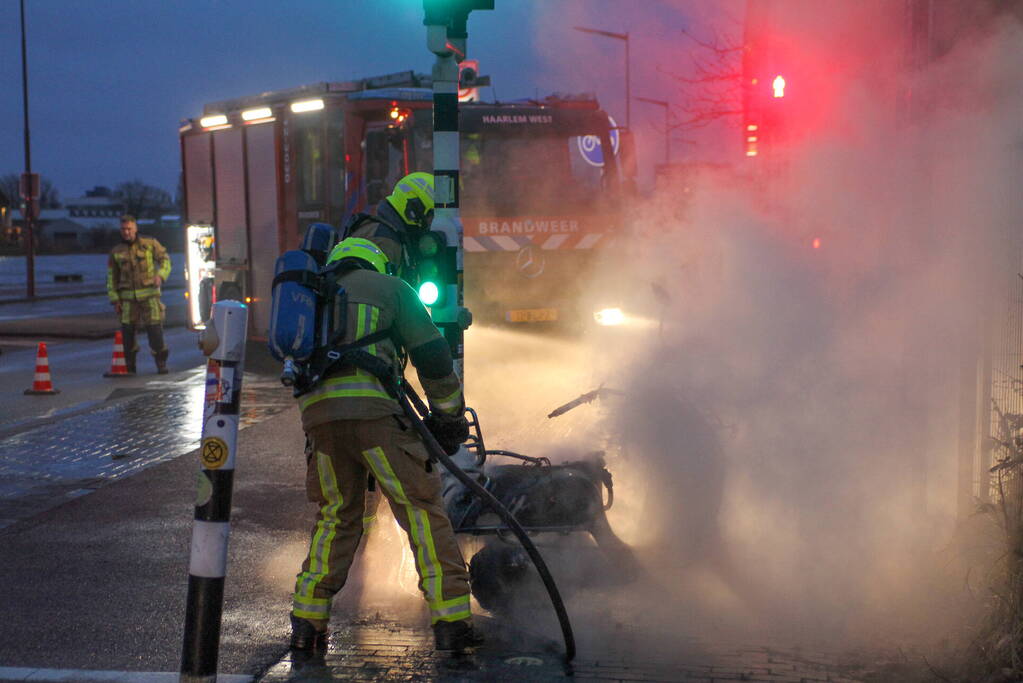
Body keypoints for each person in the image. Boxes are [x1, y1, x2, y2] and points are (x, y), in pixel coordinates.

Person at [289, 237, 476, 653]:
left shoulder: (313, 296)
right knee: (420, 509)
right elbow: (432, 356)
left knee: (336, 516)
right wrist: (449, 416)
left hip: (319, 423)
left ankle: (307, 621)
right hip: (376, 420)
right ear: (375, 265)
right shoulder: (392, 289)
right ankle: (451, 623)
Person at [107, 215, 172, 374]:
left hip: (150, 298)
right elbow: (111, 278)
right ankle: (130, 365)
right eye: (123, 229)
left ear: (135, 228)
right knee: (127, 335)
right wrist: (115, 300)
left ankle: (161, 362)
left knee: (155, 331)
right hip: (128, 301)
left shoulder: (150, 245)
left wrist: (161, 275)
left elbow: (165, 260)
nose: (126, 232)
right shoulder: (116, 252)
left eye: (129, 229)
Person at [345, 171, 435, 282]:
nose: (432, 223)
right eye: (430, 215)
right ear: (413, 210)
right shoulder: (385, 241)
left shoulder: (394, 235)